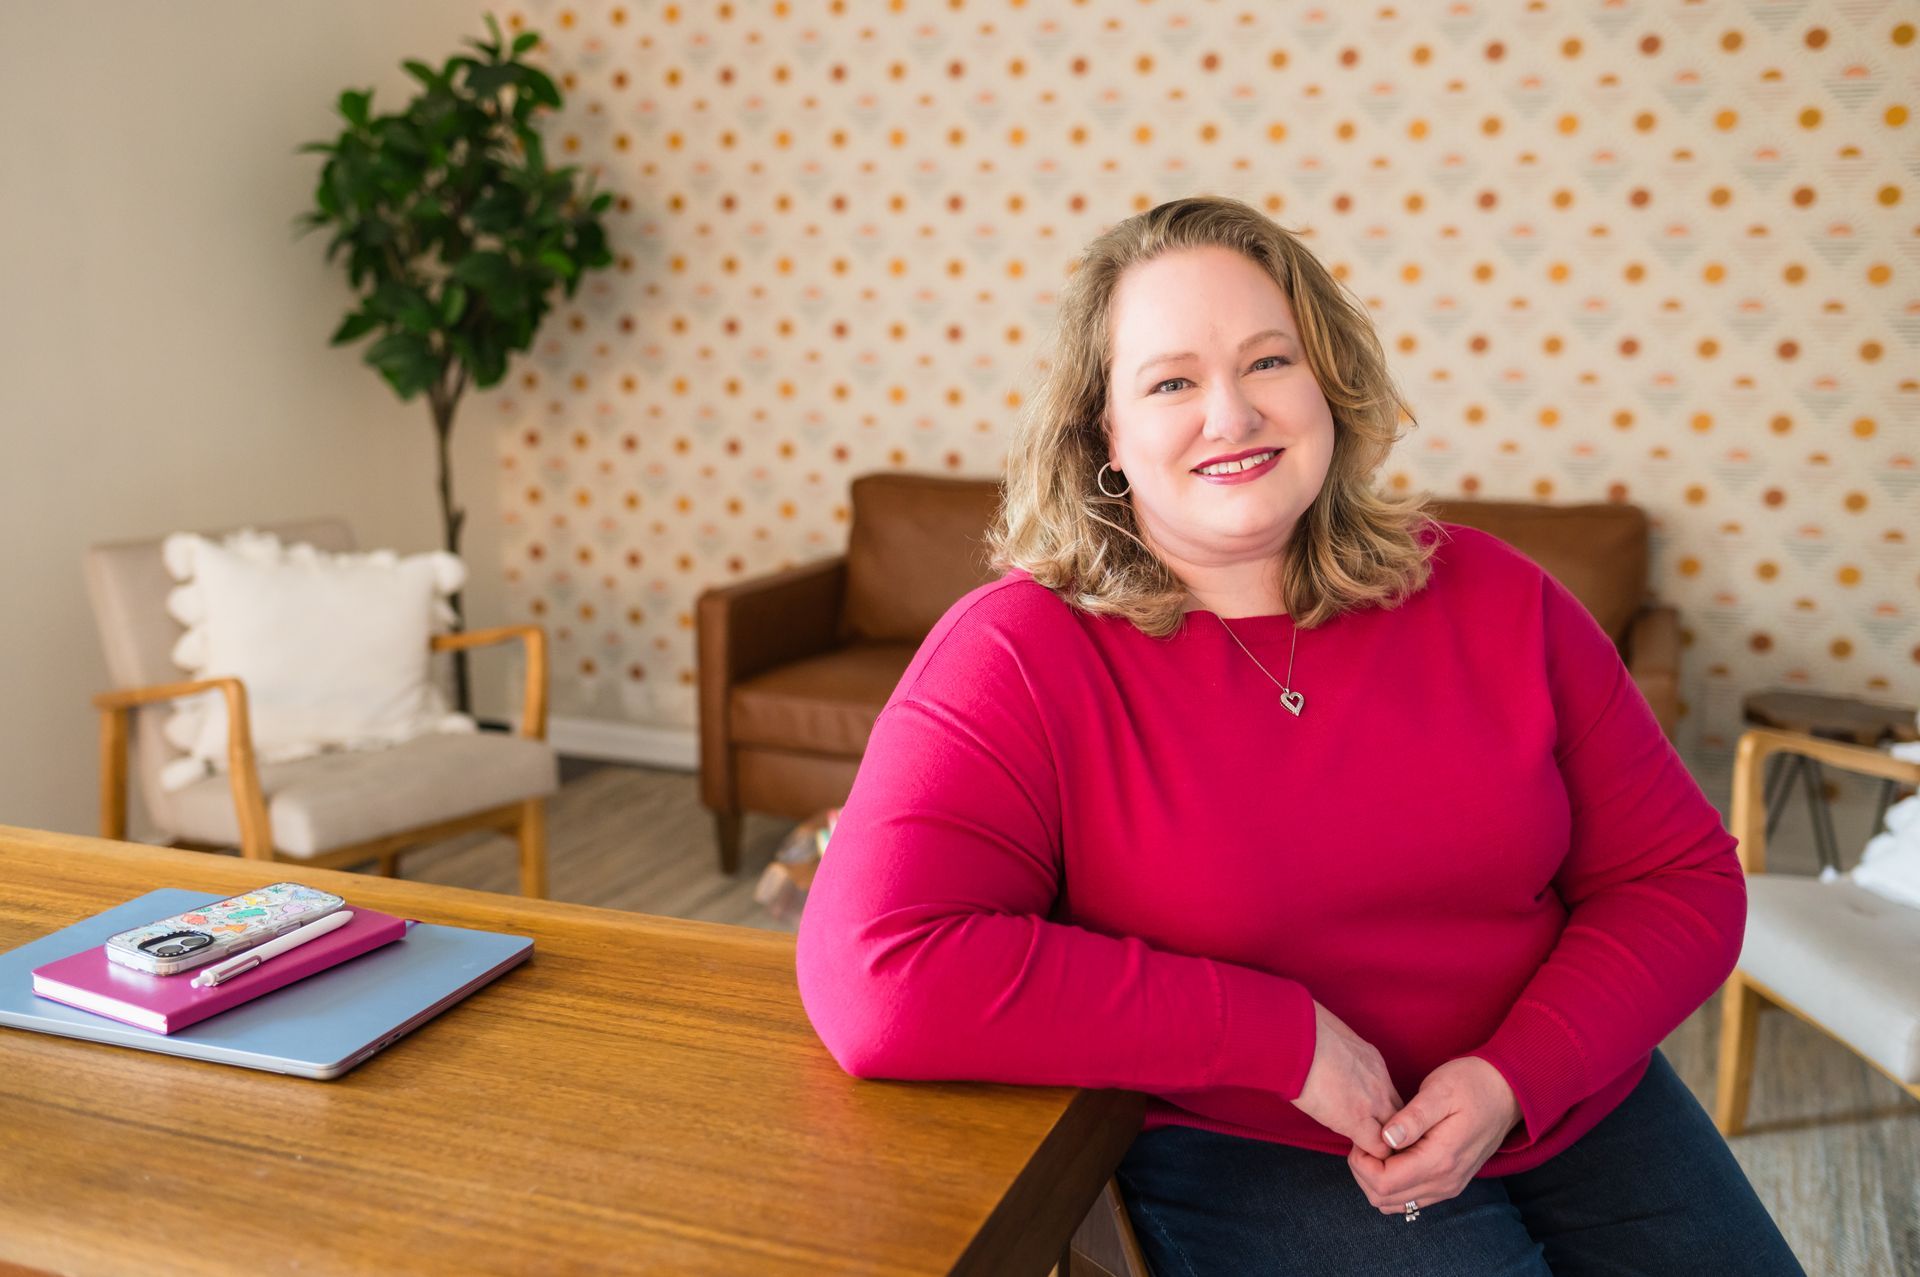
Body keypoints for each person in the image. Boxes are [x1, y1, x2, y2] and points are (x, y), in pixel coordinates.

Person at [793, 195, 1804, 1275]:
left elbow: (1681, 878)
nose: (1230, 415)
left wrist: (1514, 1073)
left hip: (1572, 1091)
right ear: (1107, 434)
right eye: (1172, 380)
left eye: (1269, 360)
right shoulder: (1020, 652)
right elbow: (879, 973)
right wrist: (1272, 1035)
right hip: (1260, 1136)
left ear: (1327, 383)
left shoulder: (1499, 595)